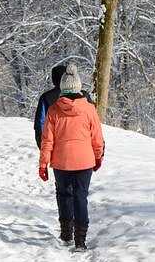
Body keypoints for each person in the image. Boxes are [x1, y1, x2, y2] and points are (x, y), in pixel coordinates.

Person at [38, 63, 105, 251]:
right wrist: (98, 156)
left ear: (63, 87)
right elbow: (97, 138)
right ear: (78, 87)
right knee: (80, 197)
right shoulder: (90, 109)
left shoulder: (53, 110)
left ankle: (66, 234)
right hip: (85, 161)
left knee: (64, 195)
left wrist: (43, 164)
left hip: (61, 162)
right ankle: (80, 241)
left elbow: (47, 141)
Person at [34, 65, 94, 149]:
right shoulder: (84, 95)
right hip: (84, 147)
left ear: (53, 79)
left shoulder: (46, 97)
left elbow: (40, 124)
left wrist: (43, 147)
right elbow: (94, 123)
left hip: (57, 149)